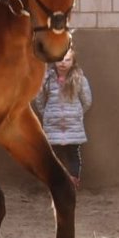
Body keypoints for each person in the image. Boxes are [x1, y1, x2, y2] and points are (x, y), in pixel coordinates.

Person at [32, 46, 92, 187]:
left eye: (67, 60)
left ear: (73, 61)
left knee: (73, 154)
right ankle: (56, 182)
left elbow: (87, 100)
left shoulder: (79, 79)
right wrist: (47, 114)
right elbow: (39, 99)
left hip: (73, 125)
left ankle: (73, 181)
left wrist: (77, 114)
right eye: (60, 60)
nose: (63, 63)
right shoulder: (47, 79)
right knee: (54, 155)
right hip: (53, 125)